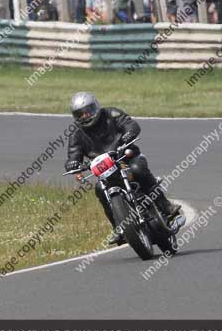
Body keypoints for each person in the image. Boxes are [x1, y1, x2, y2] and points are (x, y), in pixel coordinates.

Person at [64, 92, 181, 244]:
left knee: (138, 169)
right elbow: (72, 156)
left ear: (96, 107)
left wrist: (128, 134)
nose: (85, 116)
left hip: (126, 156)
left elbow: (130, 124)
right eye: (80, 114)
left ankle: (165, 206)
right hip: (105, 169)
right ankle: (119, 228)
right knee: (100, 189)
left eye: (88, 111)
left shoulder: (112, 114)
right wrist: (73, 165)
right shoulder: (77, 135)